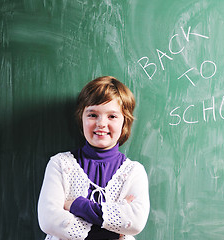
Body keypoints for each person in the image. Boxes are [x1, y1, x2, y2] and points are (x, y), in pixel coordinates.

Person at [38, 76, 150, 240]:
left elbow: (135, 223)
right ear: (81, 118)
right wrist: (112, 228)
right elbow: (48, 221)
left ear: (124, 122)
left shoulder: (134, 172)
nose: (101, 123)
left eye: (112, 116)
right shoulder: (60, 164)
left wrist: (76, 205)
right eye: (92, 115)